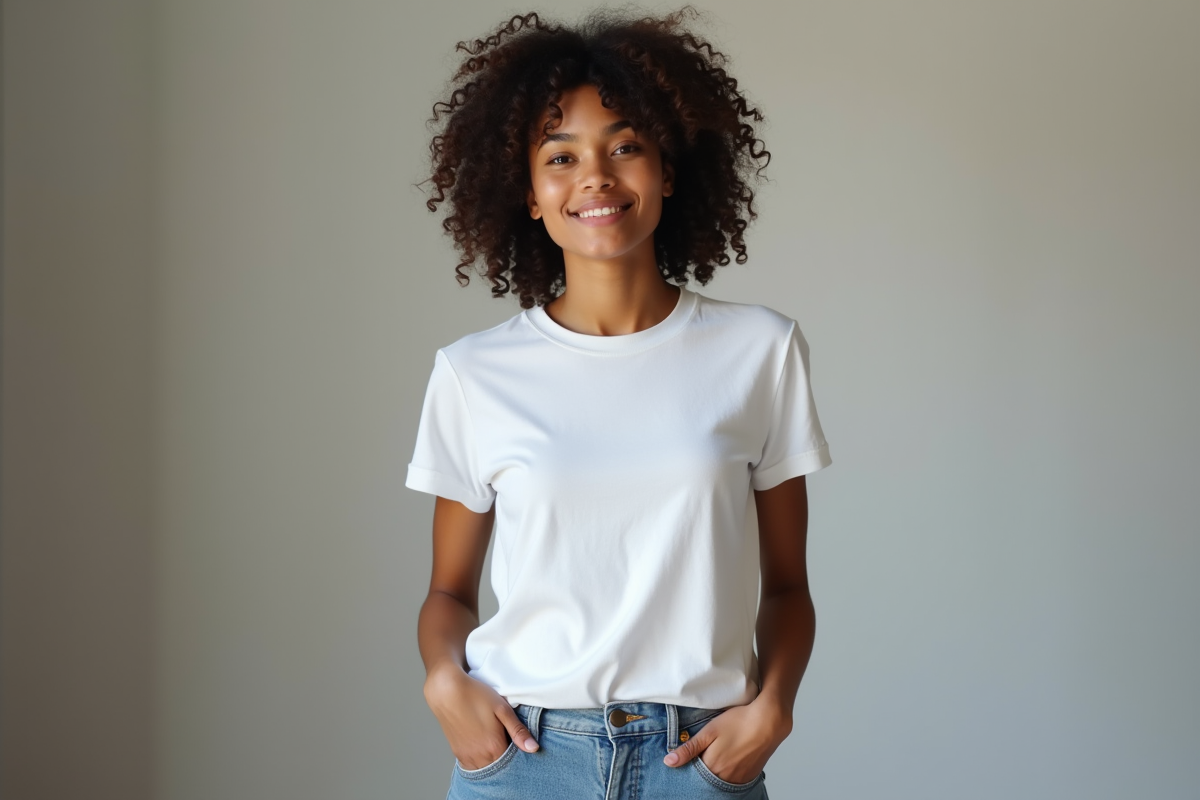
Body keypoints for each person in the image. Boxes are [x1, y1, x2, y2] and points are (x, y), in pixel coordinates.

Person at [406, 8, 832, 798]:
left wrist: (774, 708)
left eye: (624, 146)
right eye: (559, 156)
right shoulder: (474, 373)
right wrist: (443, 682)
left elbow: (786, 587)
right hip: (524, 760)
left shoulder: (761, 352)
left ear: (668, 169)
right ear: (529, 194)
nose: (595, 176)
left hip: (697, 762)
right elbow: (448, 594)